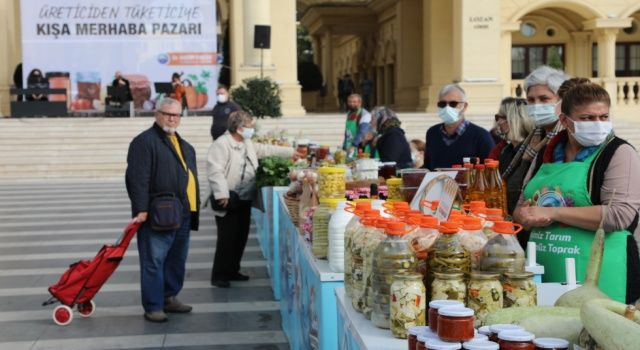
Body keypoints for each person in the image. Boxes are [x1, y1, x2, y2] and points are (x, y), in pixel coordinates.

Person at [513, 83, 640, 304]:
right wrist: (523, 216)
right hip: (545, 269)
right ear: (564, 121)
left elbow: (619, 215)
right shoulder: (546, 152)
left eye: (603, 117)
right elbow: (522, 204)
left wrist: (554, 213)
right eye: (587, 118)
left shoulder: (619, 153)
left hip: (601, 274)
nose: (598, 124)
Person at [125, 98, 200, 322]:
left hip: (183, 211)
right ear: (157, 114)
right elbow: (137, 178)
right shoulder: (144, 142)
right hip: (158, 212)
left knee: (177, 259)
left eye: (176, 115)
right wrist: (141, 208)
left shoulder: (185, 145)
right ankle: (153, 305)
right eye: (167, 114)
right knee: (154, 260)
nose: (172, 119)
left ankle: (169, 297)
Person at [207, 111, 302, 288]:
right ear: (239, 128)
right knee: (226, 238)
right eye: (249, 127)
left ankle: (233, 270)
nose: (251, 130)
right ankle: (219, 275)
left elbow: (265, 149)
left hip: (245, 197)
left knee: (240, 236)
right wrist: (222, 194)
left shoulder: (247, 142)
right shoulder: (222, 144)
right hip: (228, 197)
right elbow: (215, 170)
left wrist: (290, 152)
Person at [423, 84, 495, 169]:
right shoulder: (432, 133)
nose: (447, 108)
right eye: (442, 104)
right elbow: (428, 167)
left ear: (464, 106)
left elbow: (490, 170)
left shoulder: (481, 136)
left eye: (453, 104)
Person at [487, 97, 535, 215]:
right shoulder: (507, 150)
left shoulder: (531, 152)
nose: (498, 122)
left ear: (514, 120)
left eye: (500, 118)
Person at [342, 94, 372, 159]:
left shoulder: (365, 114)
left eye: (354, 102)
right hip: (349, 146)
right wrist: (344, 147)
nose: (352, 104)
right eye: (350, 102)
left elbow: (362, 132)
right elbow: (347, 132)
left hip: (359, 147)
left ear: (360, 103)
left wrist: (353, 146)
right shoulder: (349, 113)